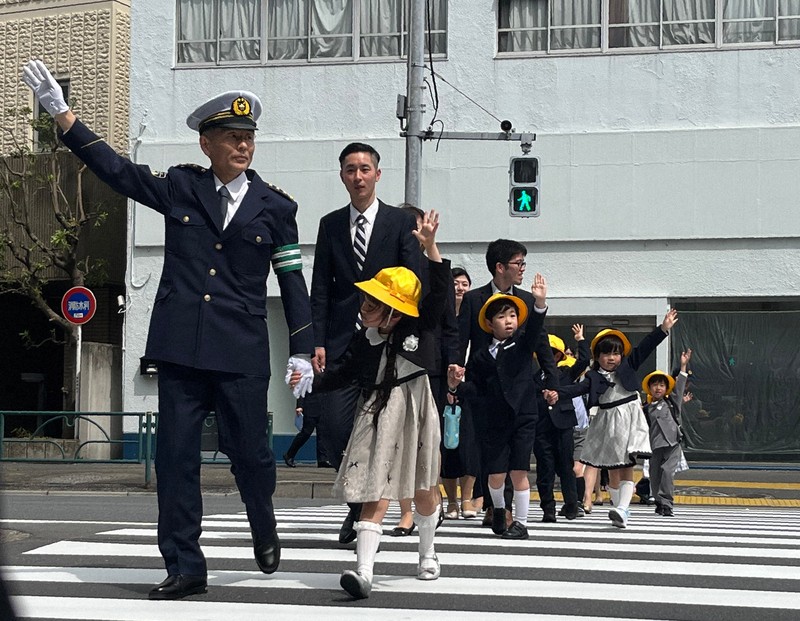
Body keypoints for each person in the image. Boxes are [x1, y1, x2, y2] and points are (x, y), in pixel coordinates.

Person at [22, 60, 315, 599]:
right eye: (232, 137)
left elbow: (293, 281)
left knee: (251, 453)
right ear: (207, 143)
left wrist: (301, 348)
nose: (243, 146)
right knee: (176, 459)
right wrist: (64, 118)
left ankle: (263, 520)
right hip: (181, 348)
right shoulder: (182, 186)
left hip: (242, 351)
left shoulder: (278, 207)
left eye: (248, 137)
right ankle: (185, 565)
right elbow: (116, 170)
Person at [291, 211, 447, 599]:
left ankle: (427, 553)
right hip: (377, 411)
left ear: (395, 310)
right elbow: (343, 373)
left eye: (374, 303)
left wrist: (429, 247)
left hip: (413, 409)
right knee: (372, 488)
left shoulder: (420, 327)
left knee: (424, 487)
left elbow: (439, 291)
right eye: (366, 299)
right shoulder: (366, 338)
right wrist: (312, 380)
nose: (365, 307)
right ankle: (362, 571)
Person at [309, 142, 421, 543]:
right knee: (336, 428)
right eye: (350, 170)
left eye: (365, 169)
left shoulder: (398, 223)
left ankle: (364, 511)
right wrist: (316, 339)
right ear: (342, 176)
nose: (358, 176)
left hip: (387, 344)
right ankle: (356, 505)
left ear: (378, 174)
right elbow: (320, 286)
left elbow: (415, 281)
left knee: (380, 428)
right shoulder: (330, 224)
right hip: (342, 340)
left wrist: (403, 332)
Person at [544, 309, 679, 529]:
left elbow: (645, 346)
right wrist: (558, 393)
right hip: (606, 422)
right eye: (606, 354)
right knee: (612, 468)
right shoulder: (593, 375)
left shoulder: (628, 366)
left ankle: (623, 509)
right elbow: (577, 388)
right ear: (597, 356)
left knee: (626, 465)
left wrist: (663, 328)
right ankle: (619, 508)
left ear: (622, 354)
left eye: (615, 353)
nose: (611, 358)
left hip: (627, 417)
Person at [457, 239, 559, 528]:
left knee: (517, 462)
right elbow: (461, 339)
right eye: (519, 263)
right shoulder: (474, 299)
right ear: (500, 267)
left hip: (519, 392)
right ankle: (494, 505)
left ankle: (508, 513)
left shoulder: (526, 300)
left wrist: (552, 381)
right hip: (484, 389)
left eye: (524, 263)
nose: (523, 269)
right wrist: (456, 373)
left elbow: (539, 343)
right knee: (490, 453)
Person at [533, 325, 590, 522]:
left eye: (552, 352)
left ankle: (572, 505)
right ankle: (548, 508)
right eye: (543, 352)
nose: (547, 356)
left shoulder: (565, 373)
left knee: (566, 466)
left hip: (564, 425)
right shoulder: (534, 377)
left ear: (558, 356)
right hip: (541, 427)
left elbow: (583, 362)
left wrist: (580, 340)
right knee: (544, 468)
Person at [442, 267, 482, 520]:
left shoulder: (476, 318)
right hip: (445, 390)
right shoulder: (442, 320)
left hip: (471, 391)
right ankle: (452, 502)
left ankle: (467, 498)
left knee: (470, 446)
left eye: (464, 284)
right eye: (455, 283)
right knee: (448, 446)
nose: (460, 288)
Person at [642, 349, 692, 516]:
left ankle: (667, 503)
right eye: (655, 385)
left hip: (672, 444)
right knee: (654, 475)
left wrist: (683, 366)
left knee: (668, 472)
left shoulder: (672, 402)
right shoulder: (645, 408)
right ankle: (658, 500)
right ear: (649, 388)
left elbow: (679, 386)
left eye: (662, 385)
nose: (658, 388)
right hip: (654, 446)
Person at [283, 398, 315, 467]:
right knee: (306, 432)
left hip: (323, 406)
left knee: (324, 433)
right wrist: (300, 406)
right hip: (310, 406)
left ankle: (323, 458)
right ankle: (289, 455)